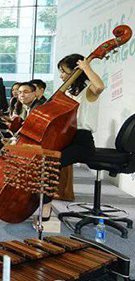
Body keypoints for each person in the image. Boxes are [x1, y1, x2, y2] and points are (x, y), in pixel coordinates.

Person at [38, 54, 104, 221]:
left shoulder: (89, 89)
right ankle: (39, 201)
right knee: (43, 161)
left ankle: (46, 207)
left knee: (51, 164)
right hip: (66, 138)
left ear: (76, 71)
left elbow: (100, 86)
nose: (60, 76)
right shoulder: (68, 91)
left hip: (82, 142)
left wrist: (86, 67)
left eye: (63, 71)